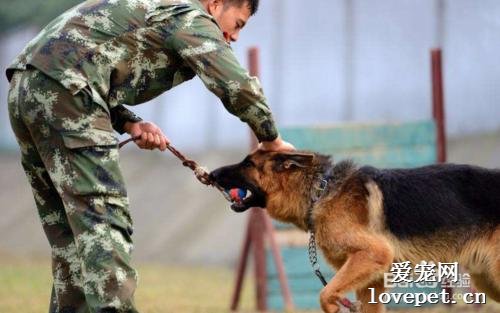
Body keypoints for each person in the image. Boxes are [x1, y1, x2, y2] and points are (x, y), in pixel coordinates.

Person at [6, 0, 294, 312]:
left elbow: (80, 63)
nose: (235, 37)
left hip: (27, 89)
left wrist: (130, 122)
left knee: (73, 241)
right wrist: (272, 140)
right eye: (238, 24)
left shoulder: (154, 7)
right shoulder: (190, 15)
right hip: (66, 91)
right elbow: (235, 84)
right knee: (104, 226)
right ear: (215, 4)